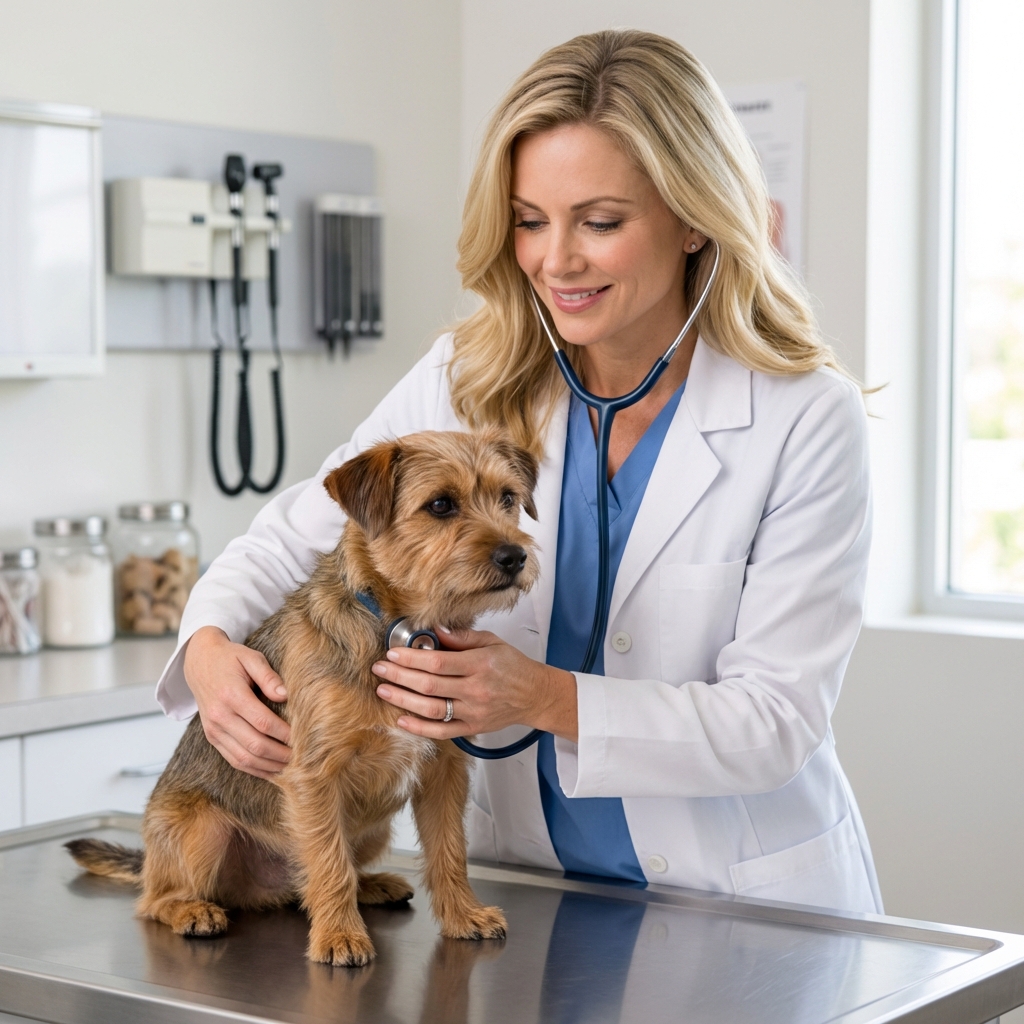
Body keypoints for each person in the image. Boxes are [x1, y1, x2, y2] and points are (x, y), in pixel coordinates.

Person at [157, 29, 882, 913]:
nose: (555, 259)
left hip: (731, 896)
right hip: (525, 890)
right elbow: (287, 543)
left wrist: (543, 696)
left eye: (601, 222)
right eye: (531, 220)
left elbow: (775, 722)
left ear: (696, 216)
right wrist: (206, 650)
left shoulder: (803, 416)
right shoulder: (464, 375)